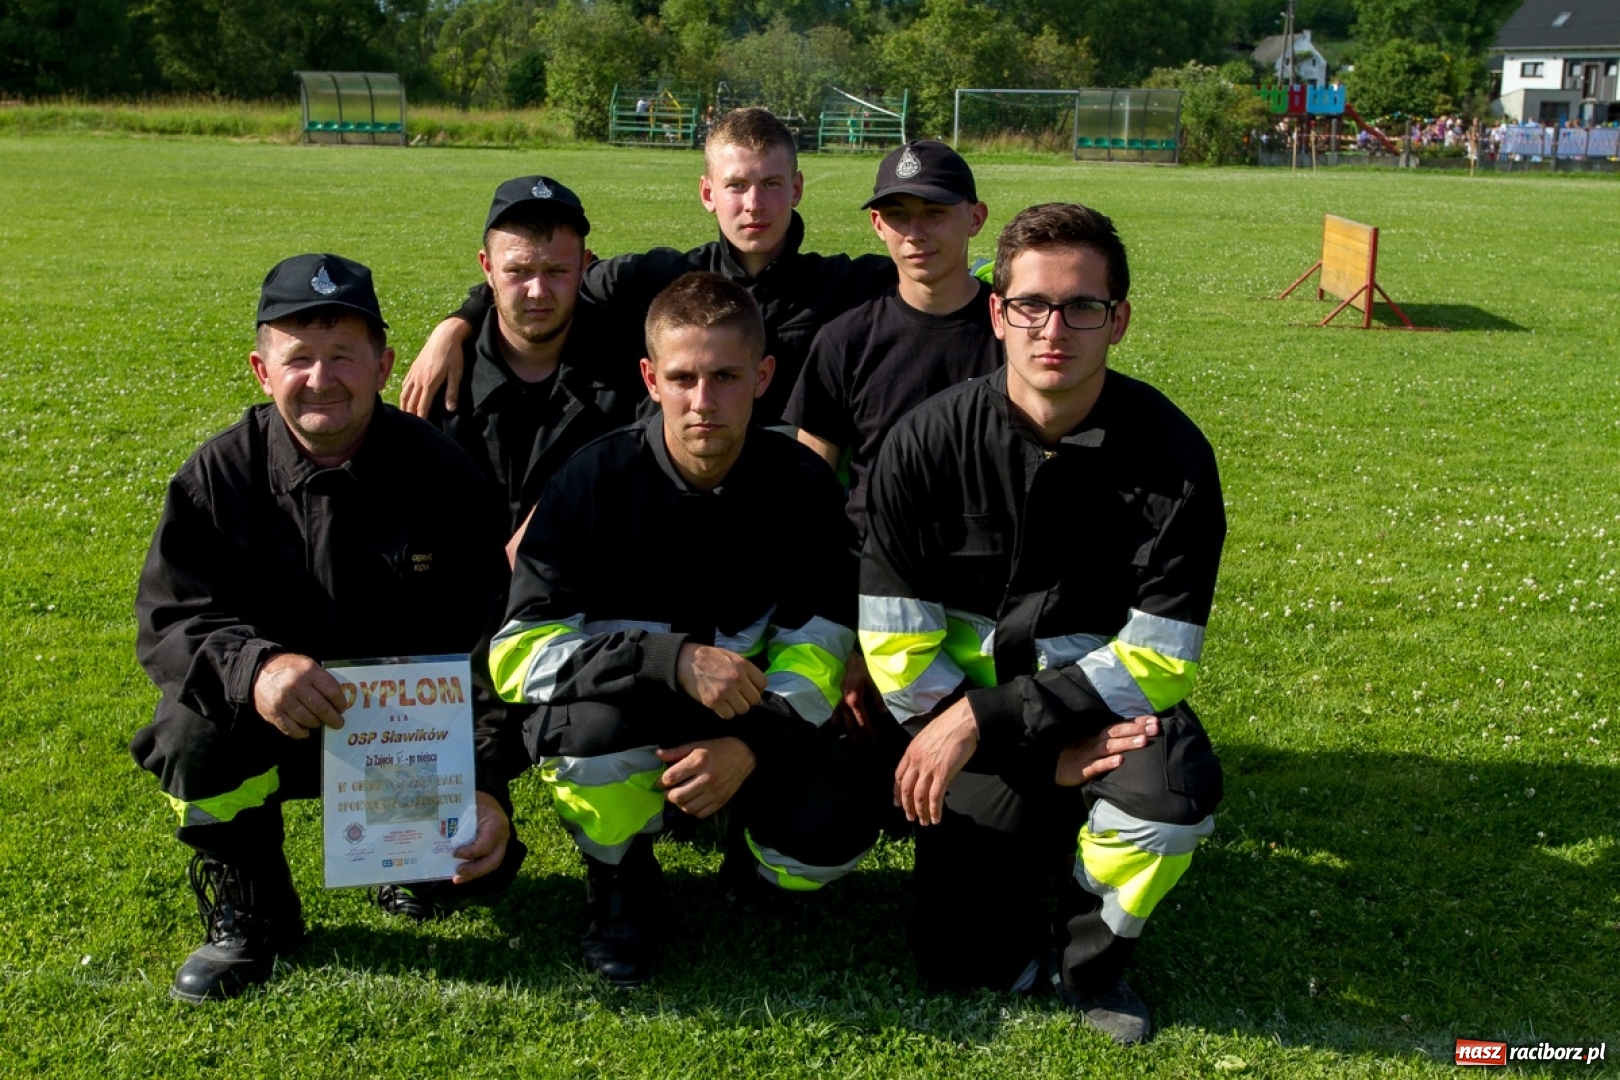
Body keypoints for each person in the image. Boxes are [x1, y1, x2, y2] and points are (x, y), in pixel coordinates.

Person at [858, 204, 1226, 1045]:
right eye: (1030, 304)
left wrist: (995, 723)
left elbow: (1161, 660)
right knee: (953, 962)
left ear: (1118, 320)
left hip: (1089, 720)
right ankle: (1032, 848)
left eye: (1081, 307)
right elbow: (896, 648)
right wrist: (1027, 758)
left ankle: (1089, 959)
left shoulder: (1175, 459)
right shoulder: (922, 444)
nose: (1053, 328)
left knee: (1167, 804)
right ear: (997, 312)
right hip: (954, 726)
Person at [131, 254, 517, 1002]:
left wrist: (490, 780)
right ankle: (252, 906)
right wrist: (258, 669)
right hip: (274, 722)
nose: (321, 377)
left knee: (477, 874)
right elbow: (172, 617)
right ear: (260, 369)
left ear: (383, 363)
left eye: (343, 355)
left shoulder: (446, 474)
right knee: (188, 734)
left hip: (404, 737)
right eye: (298, 358)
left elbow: (493, 635)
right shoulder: (217, 476)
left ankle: (406, 860)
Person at [481, 272, 881, 987]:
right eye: (683, 377)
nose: (704, 401)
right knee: (587, 744)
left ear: (763, 376)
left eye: (726, 376)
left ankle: (751, 865)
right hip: (626, 707)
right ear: (650, 377)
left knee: (838, 826)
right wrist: (667, 659)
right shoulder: (590, 481)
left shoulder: (802, 485)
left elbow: (818, 647)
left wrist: (752, 744)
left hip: (754, 716)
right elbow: (515, 656)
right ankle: (619, 878)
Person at [398, 108, 896, 428]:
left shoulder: (844, 284)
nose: (753, 204)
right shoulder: (663, 277)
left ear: (797, 188)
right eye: (736, 185)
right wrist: (457, 323)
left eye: (771, 184)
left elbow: (933, 274)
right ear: (707, 193)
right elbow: (551, 276)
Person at [785, 139, 997, 546]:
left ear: (975, 217)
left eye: (934, 213)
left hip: (990, 573)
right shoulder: (846, 340)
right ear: (878, 225)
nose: (915, 233)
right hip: (875, 566)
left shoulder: (1015, 332)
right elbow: (811, 481)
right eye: (898, 215)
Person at [428, 174, 642, 559]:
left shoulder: (630, 375)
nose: (538, 292)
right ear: (487, 268)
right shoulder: (442, 383)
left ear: (584, 266)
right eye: (519, 272)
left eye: (557, 272)